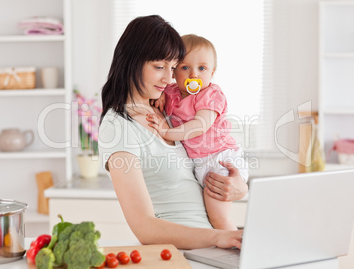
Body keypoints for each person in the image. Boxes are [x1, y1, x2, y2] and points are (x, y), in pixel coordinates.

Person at [98, 15, 248, 250]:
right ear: (132, 62)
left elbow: (202, 167)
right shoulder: (118, 127)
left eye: (173, 68)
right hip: (181, 253)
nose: (169, 78)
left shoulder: (165, 111)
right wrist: (219, 237)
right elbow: (145, 227)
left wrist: (237, 187)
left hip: (211, 247)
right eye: (159, 67)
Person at [147, 34, 249, 231]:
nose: (194, 75)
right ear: (174, 72)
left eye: (202, 68)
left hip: (220, 160)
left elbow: (200, 125)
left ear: (212, 72)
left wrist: (167, 132)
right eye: (185, 67)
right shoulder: (172, 92)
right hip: (200, 163)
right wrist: (160, 97)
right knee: (209, 220)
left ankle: (238, 252)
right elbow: (162, 91)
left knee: (218, 218)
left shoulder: (211, 94)